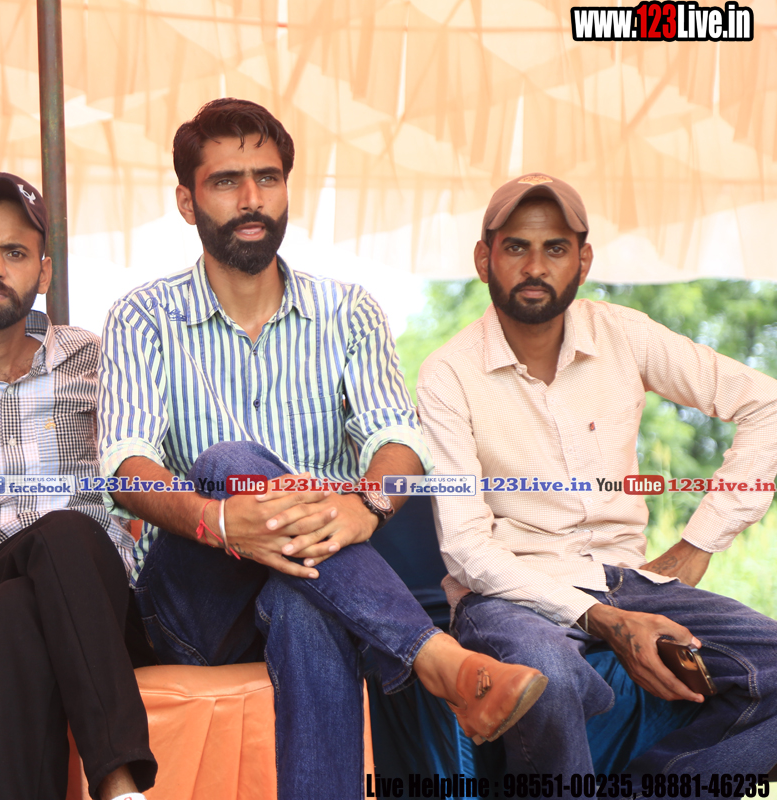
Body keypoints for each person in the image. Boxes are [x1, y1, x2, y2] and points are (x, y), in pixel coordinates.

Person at [95, 97, 548, 798]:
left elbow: (397, 439)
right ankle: (436, 658)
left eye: (268, 178)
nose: (252, 199)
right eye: (226, 182)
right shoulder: (143, 316)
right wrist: (222, 521)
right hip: (195, 605)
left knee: (303, 599)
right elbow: (128, 467)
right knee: (229, 464)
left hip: (322, 584)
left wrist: (368, 506)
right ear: (187, 202)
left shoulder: (349, 312)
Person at [417, 172, 777, 778]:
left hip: (630, 579)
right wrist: (606, 621)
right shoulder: (448, 373)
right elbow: (467, 547)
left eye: (555, 248)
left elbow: (765, 404)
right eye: (516, 247)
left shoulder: (624, 334)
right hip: (510, 592)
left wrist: (698, 544)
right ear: (484, 259)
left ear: (582, 262)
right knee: (550, 677)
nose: (536, 266)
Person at [0, 173, 156, 800]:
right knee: (42, 552)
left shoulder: (95, 358)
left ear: (45, 270)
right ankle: (119, 786)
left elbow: (144, 457)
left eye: (14, 252)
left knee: (25, 604)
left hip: (99, 597)